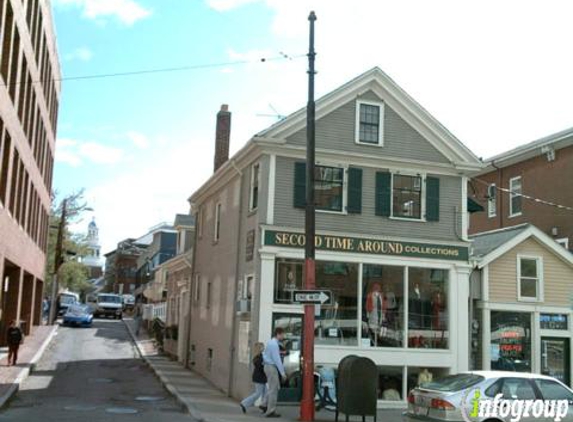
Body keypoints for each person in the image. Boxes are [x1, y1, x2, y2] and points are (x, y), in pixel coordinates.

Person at [261, 327, 286, 418]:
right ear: (278, 334)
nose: (284, 336)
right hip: (271, 367)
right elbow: (277, 360)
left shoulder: (271, 342)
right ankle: (270, 411)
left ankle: (264, 404)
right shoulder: (274, 345)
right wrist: (283, 373)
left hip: (268, 366)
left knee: (273, 387)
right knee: (273, 390)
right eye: (283, 334)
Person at [239, 342, 267, 414]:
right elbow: (261, 367)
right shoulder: (258, 358)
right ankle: (244, 403)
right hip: (259, 378)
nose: (264, 348)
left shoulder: (260, 356)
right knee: (258, 393)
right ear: (259, 348)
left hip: (261, 377)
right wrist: (265, 365)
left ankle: (264, 406)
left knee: (265, 392)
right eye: (262, 347)